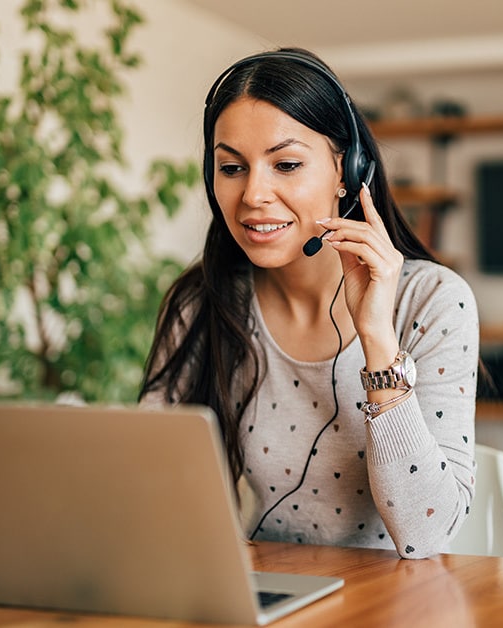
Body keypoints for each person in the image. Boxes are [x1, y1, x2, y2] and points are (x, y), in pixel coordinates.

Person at [140, 48, 479, 559]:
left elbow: (424, 536)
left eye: (287, 164)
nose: (253, 193)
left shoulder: (431, 300)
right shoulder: (204, 301)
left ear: (347, 169)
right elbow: (148, 483)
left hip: (403, 598)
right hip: (265, 593)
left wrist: (378, 341)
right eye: (231, 167)